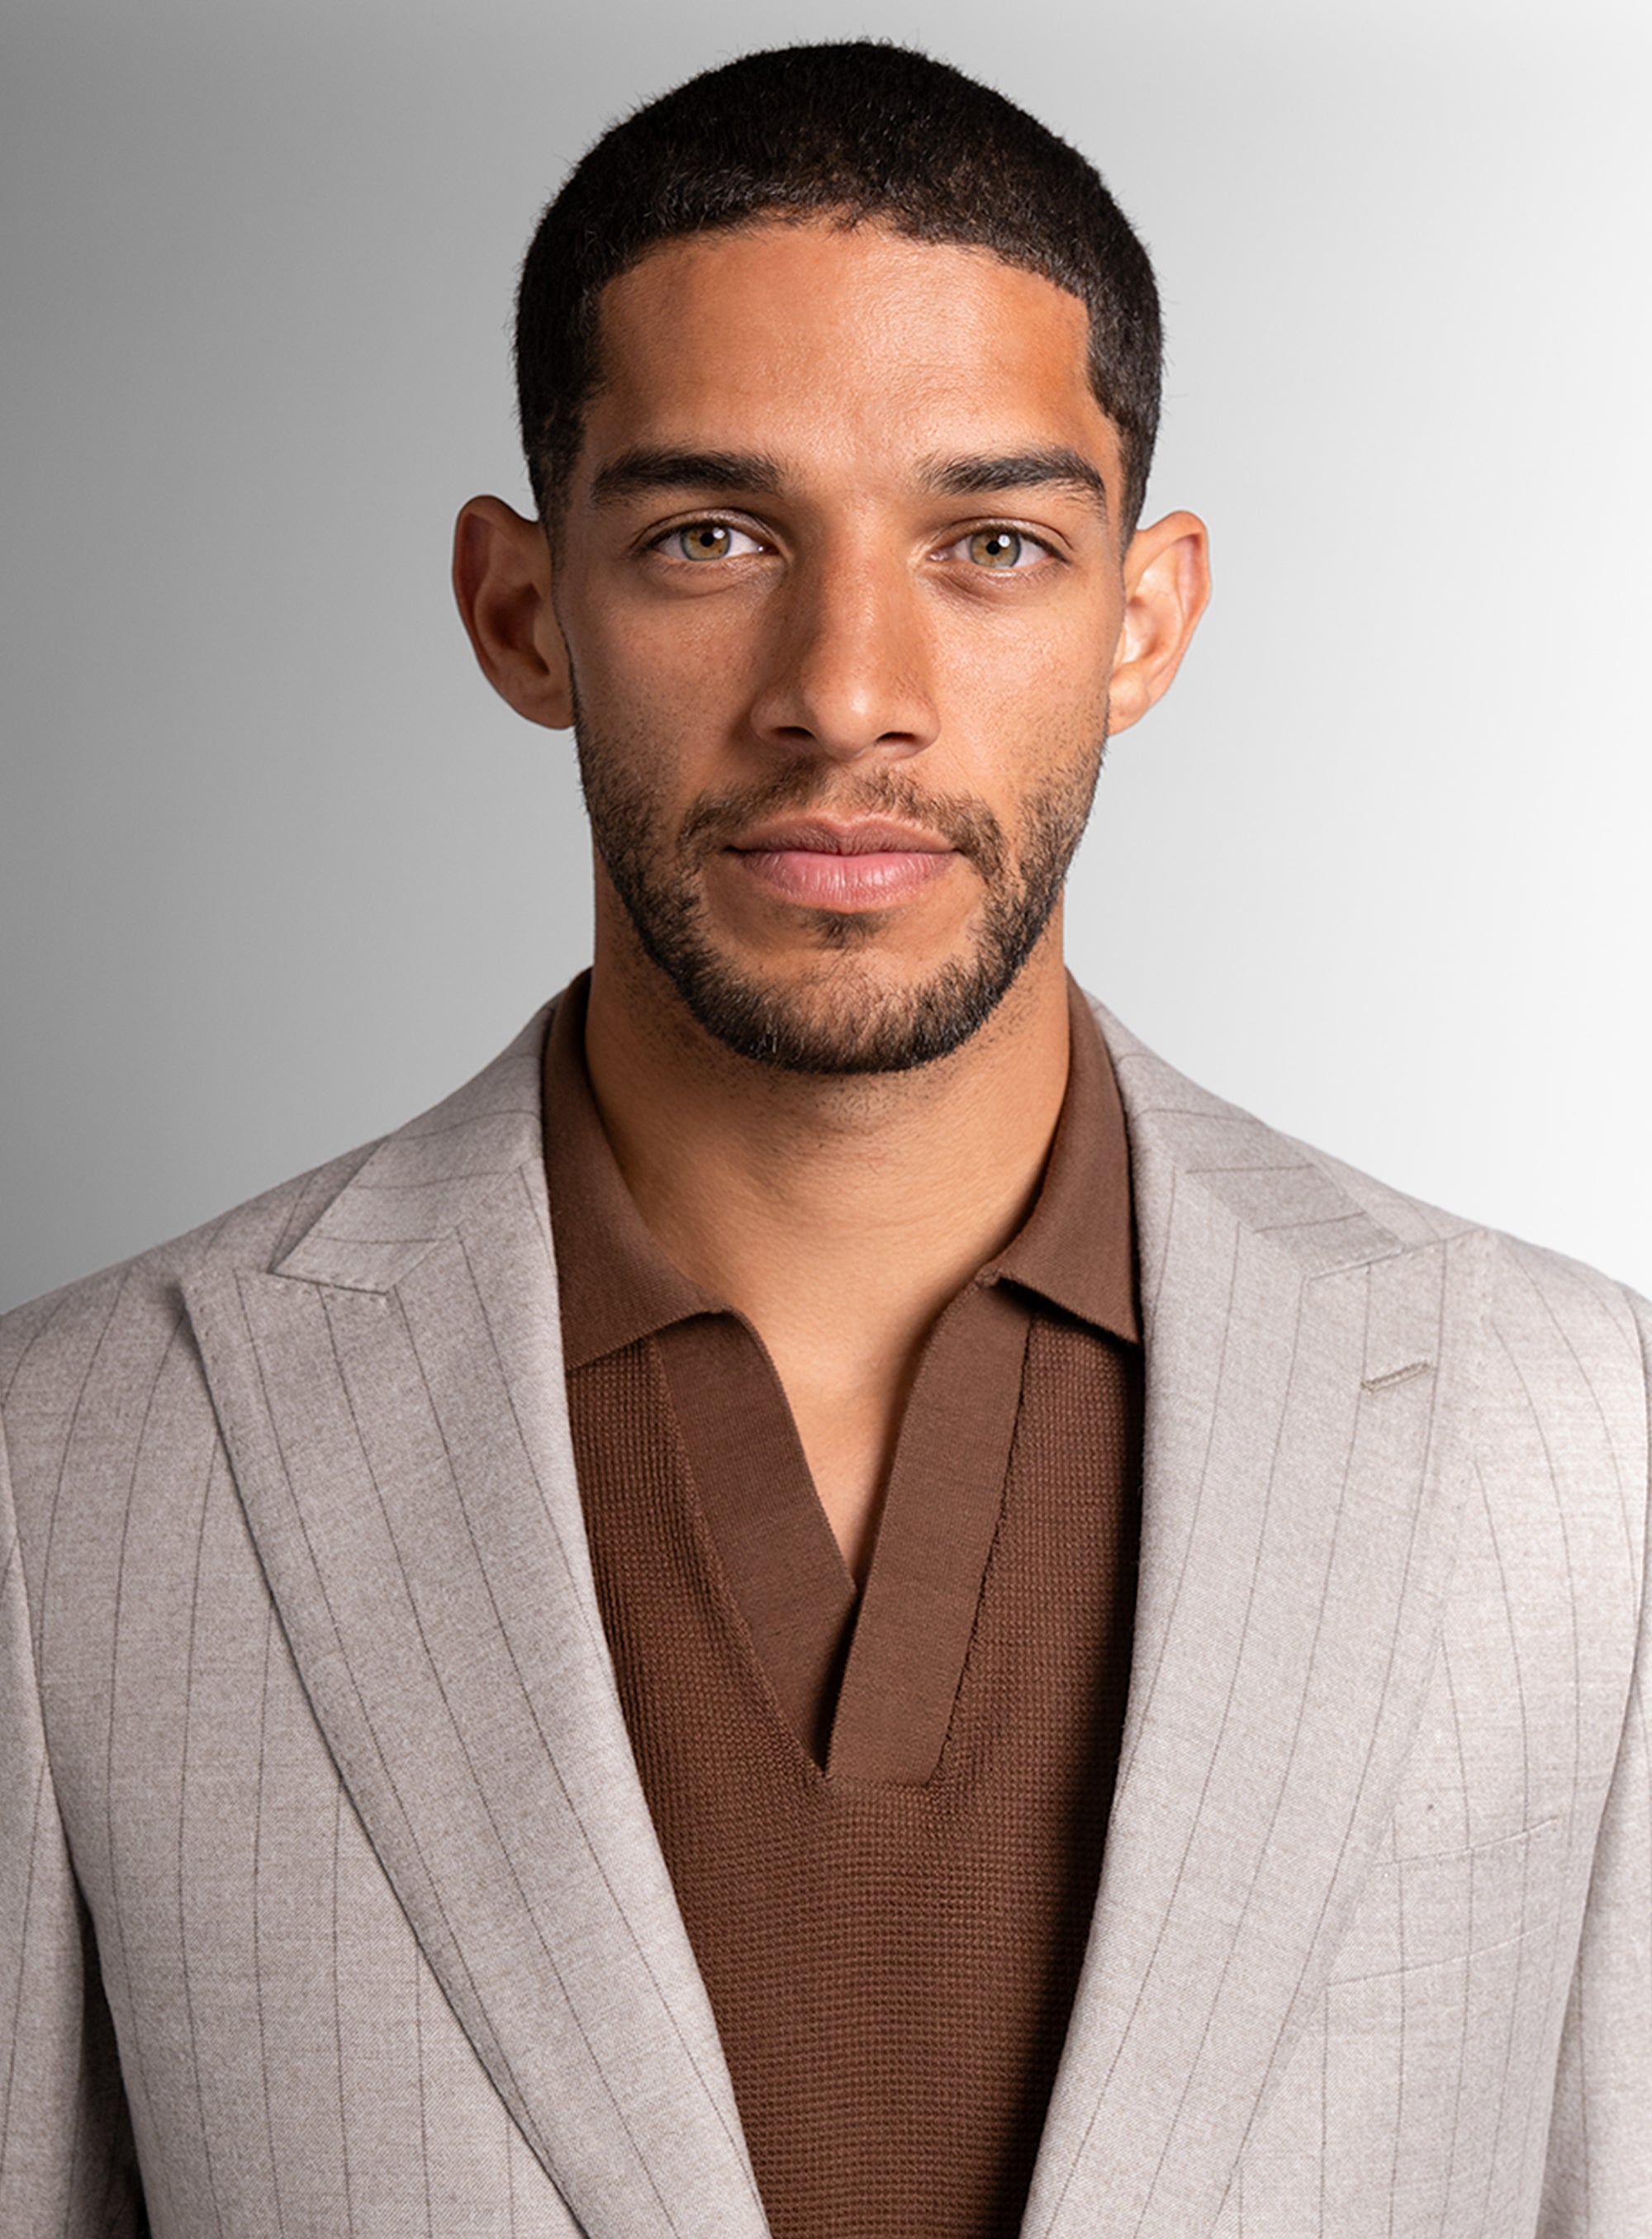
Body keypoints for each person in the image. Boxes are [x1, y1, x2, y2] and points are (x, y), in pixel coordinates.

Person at [0, 38, 1645, 2239]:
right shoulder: (71, 1478)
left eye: (988, 541)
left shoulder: (1579, 1450)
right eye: (711, 532)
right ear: (521, 610)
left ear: (1142, 620)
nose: (846, 685)